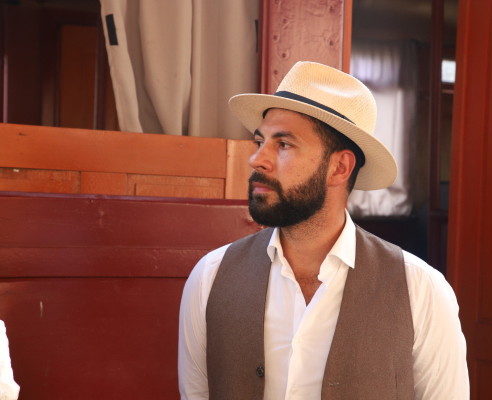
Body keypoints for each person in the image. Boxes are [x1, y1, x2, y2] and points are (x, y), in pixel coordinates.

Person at [178, 61, 469, 399]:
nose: (257, 159)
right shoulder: (210, 277)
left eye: (283, 144)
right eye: (260, 141)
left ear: (339, 168)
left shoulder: (421, 290)